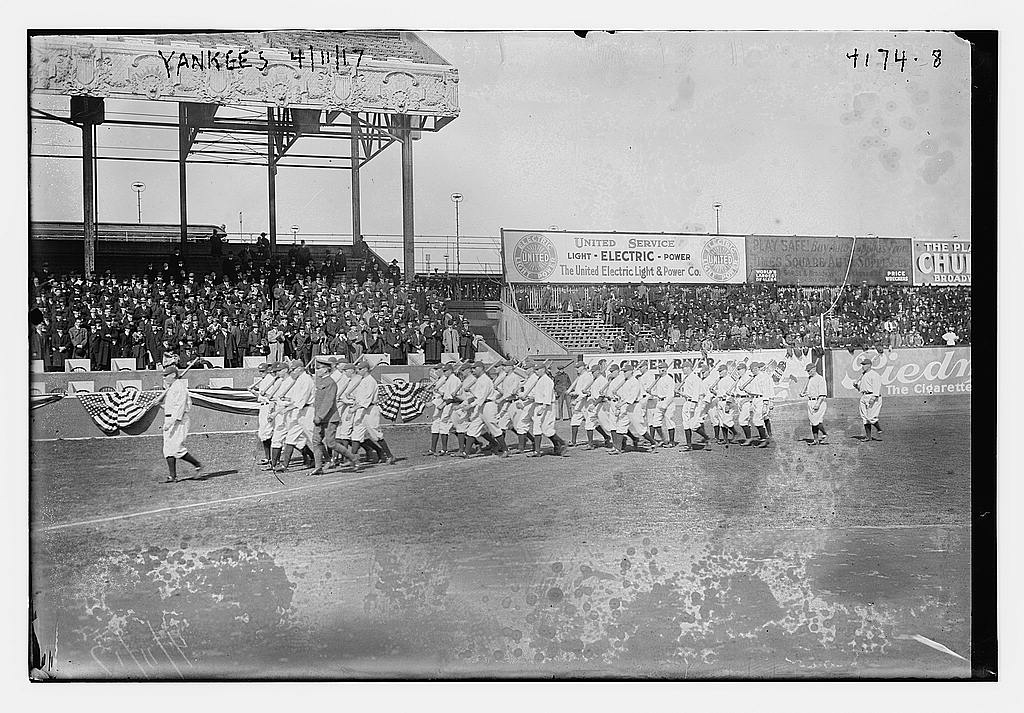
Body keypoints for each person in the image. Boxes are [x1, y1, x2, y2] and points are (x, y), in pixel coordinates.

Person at [310, 357, 360, 474]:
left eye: (319, 368)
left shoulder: (331, 383)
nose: (317, 370)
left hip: (330, 418)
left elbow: (328, 401)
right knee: (316, 441)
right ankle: (318, 467)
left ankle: (353, 458)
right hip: (320, 418)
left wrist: (319, 416)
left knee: (331, 443)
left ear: (326, 370)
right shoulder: (321, 381)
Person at [160, 364, 202, 483]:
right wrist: (159, 404)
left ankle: (198, 465)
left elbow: (180, 408)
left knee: (177, 448)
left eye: (166, 375)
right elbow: (171, 407)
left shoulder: (179, 387)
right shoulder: (172, 387)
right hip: (170, 419)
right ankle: (172, 476)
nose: (164, 378)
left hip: (179, 420)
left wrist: (171, 423)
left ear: (173, 375)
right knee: (168, 449)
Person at [350, 359, 397, 464]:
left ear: (365, 369)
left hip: (370, 410)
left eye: (360, 369)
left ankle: (389, 455)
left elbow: (367, 399)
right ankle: (352, 458)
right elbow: (358, 396)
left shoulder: (371, 381)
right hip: (361, 410)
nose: (358, 371)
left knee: (375, 433)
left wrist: (354, 408)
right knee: (357, 432)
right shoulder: (362, 380)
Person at [526, 363, 568, 457]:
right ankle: (539, 450)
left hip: (546, 406)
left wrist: (543, 407)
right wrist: (531, 397)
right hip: (538, 404)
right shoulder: (539, 379)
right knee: (538, 427)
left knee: (546, 428)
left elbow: (548, 395)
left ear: (543, 369)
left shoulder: (547, 380)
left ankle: (561, 443)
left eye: (537, 370)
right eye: (535, 370)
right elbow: (539, 394)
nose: (536, 372)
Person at [853, 355, 883, 441]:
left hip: (872, 396)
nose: (862, 366)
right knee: (865, 418)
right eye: (862, 365)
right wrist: (856, 386)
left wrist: (874, 397)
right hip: (864, 396)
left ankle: (879, 429)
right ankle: (868, 437)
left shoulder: (874, 375)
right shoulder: (863, 375)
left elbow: (877, 387)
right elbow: (862, 389)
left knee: (871, 417)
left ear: (869, 365)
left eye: (864, 364)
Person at [800, 361, 829, 445]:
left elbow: (822, 394)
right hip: (810, 401)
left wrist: (818, 404)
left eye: (809, 370)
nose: (808, 372)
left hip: (818, 401)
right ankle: (816, 440)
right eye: (807, 371)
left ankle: (825, 434)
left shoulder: (820, 379)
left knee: (816, 421)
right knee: (813, 422)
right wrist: (804, 393)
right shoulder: (810, 379)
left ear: (814, 369)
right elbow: (810, 391)